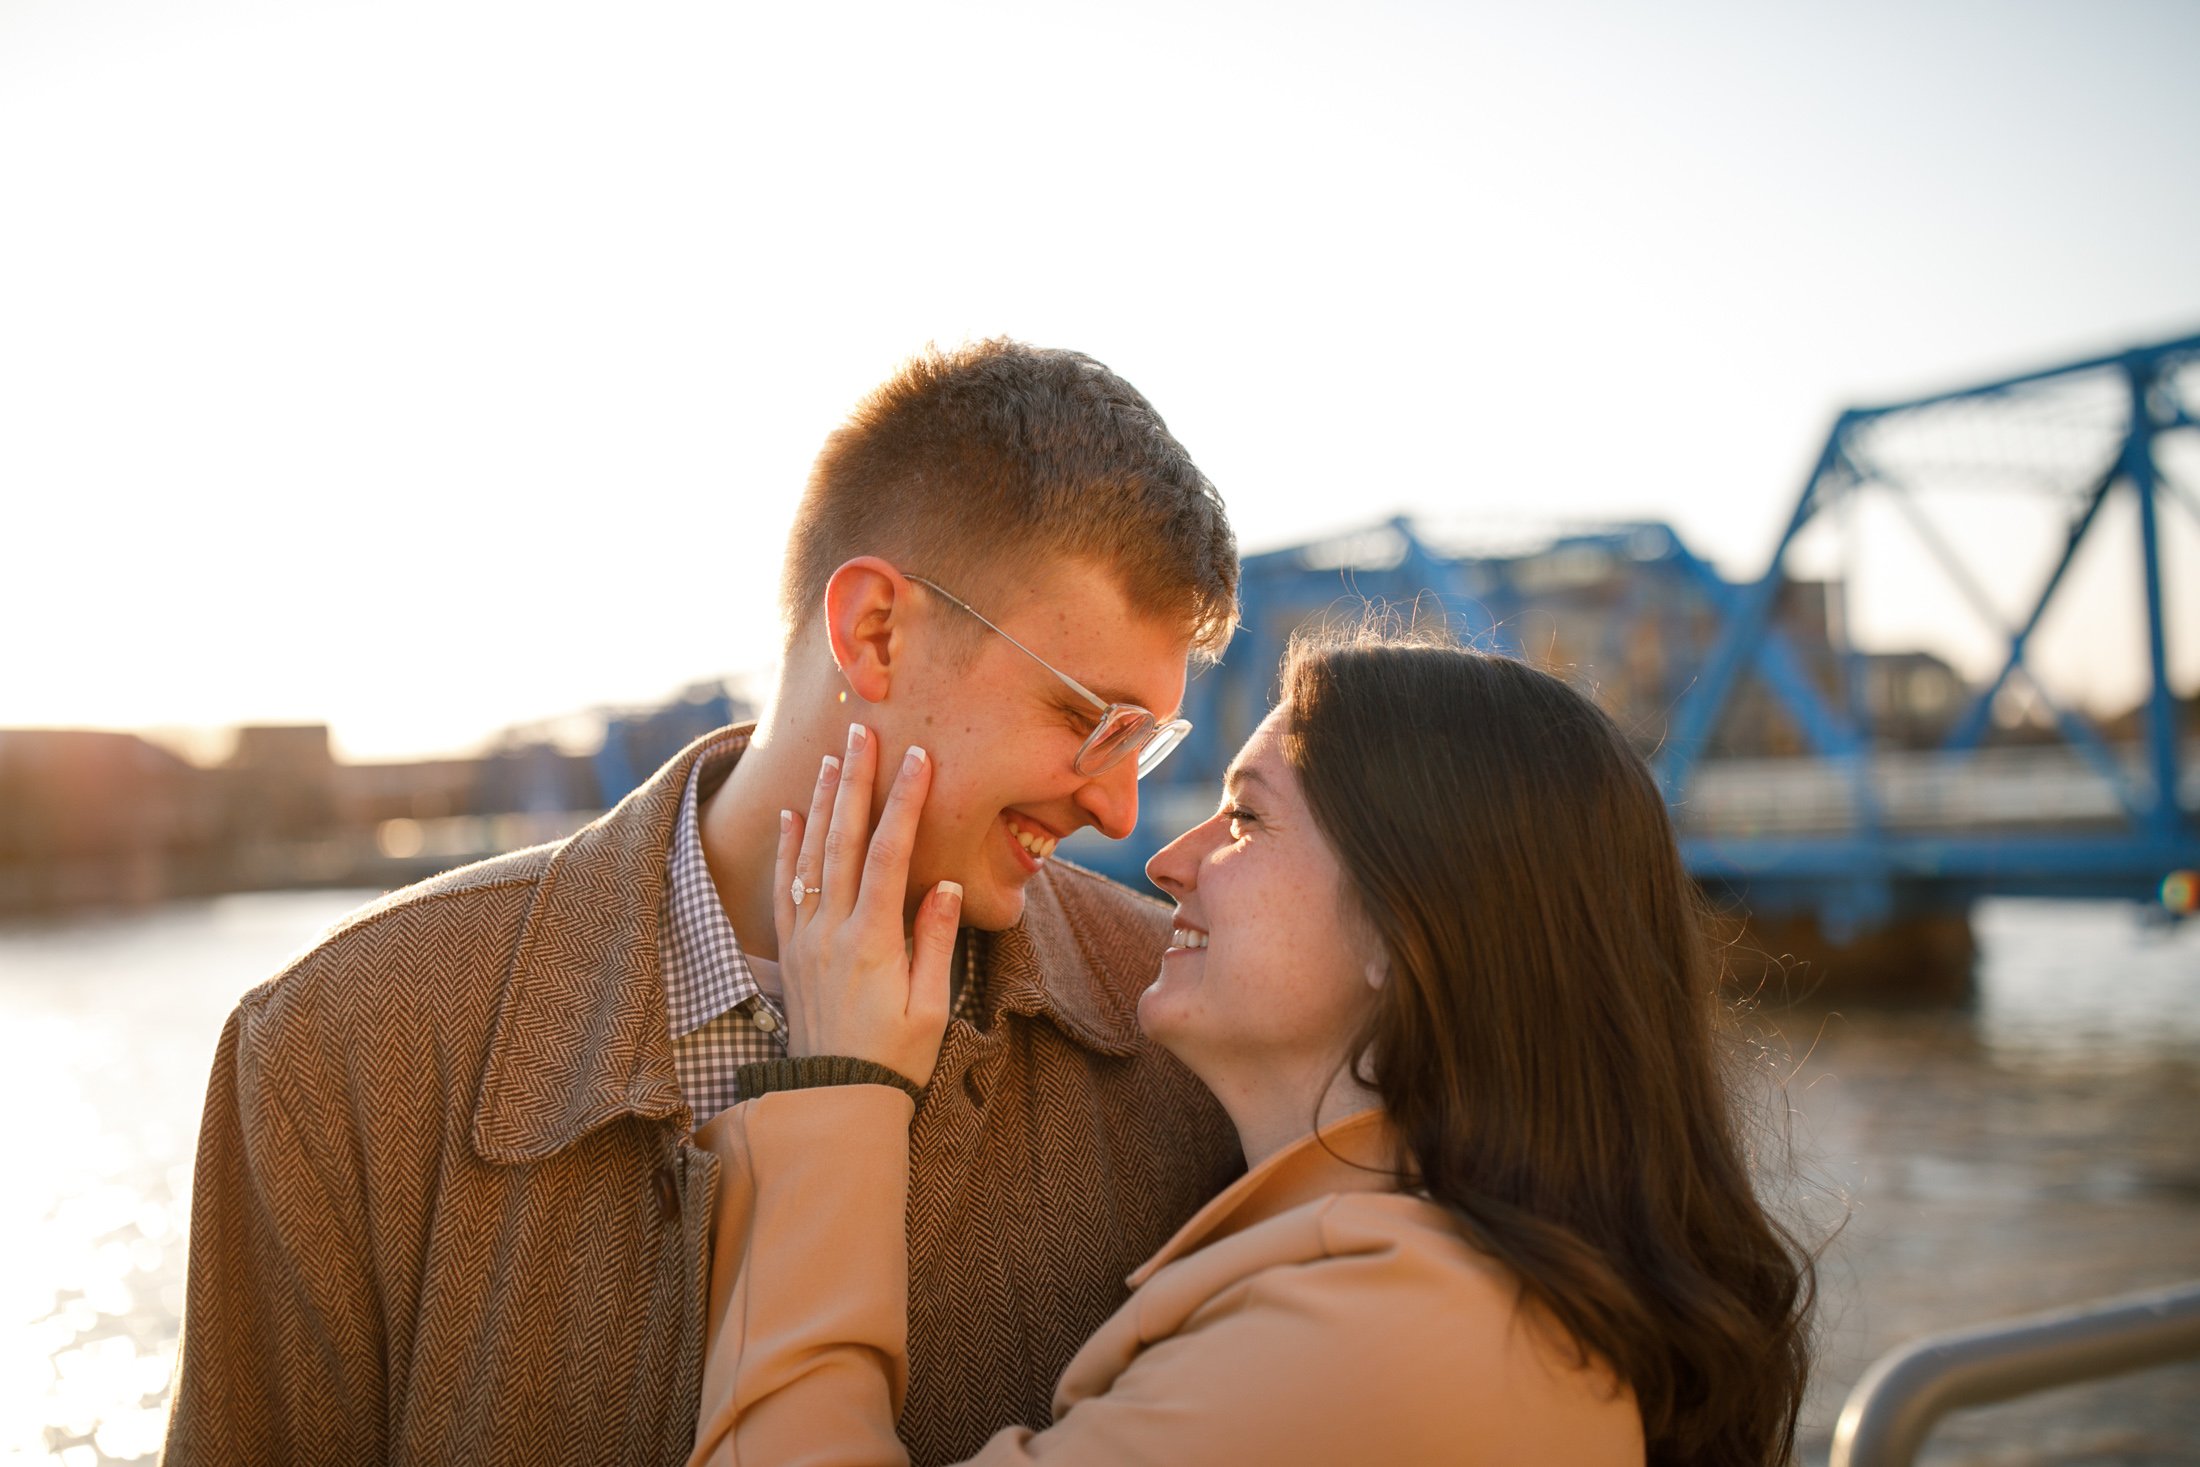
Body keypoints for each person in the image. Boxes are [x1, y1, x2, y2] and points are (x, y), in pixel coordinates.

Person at [162, 340, 1247, 1465]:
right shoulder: (339, 1046)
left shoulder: (1180, 1038)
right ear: (874, 631)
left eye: (1148, 740)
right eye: (1090, 722)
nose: (1123, 813)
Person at [694, 631, 1818, 1466]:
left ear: (1406, 926)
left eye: (1244, 819)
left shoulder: (1385, 1338)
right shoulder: (1476, 1283)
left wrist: (835, 1085)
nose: (1165, 857)